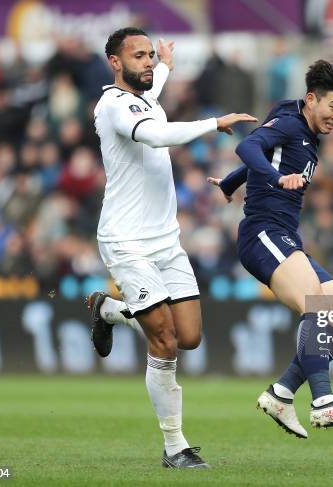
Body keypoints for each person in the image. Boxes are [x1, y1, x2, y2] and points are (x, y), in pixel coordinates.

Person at [87, 27, 256, 468]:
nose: (147, 61)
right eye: (138, 56)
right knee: (163, 342)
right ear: (115, 63)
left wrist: (167, 65)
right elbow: (156, 136)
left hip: (165, 241)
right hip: (126, 241)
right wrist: (213, 123)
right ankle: (175, 446)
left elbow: (153, 88)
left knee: (189, 337)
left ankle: (109, 309)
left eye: (149, 54)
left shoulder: (144, 95)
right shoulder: (113, 106)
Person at [208, 60, 333, 439]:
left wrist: (231, 184)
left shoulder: (300, 124)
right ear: (312, 99)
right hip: (262, 233)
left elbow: (262, 154)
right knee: (317, 306)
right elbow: (250, 146)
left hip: (286, 237)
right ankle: (323, 403)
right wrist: (275, 177)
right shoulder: (291, 123)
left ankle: (281, 393)